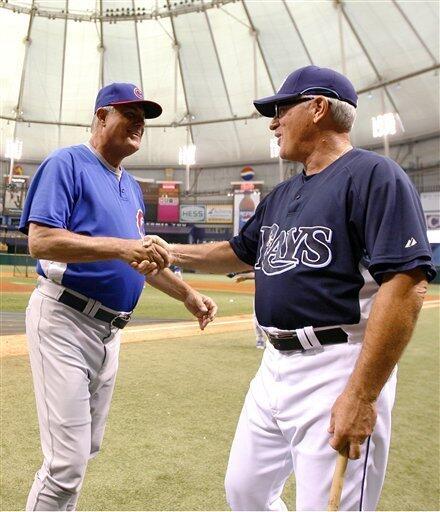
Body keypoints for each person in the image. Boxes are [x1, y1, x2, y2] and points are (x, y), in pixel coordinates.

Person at [134, 66, 436, 510]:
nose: (273, 122)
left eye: (280, 110)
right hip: (273, 365)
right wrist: (173, 252)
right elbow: (239, 251)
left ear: (317, 108)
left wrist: (362, 393)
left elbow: (407, 285)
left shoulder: (375, 175)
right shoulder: (282, 194)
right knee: (246, 492)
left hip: (338, 364)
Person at [19, 82, 217, 511]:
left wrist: (187, 293)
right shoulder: (66, 163)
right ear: (102, 116)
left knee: (82, 452)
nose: (139, 123)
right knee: (66, 464)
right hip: (65, 320)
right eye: (130, 113)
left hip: (110, 332)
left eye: (143, 117)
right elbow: (41, 241)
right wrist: (121, 246)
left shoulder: (129, 185)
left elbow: (138, 259)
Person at [230, 271, 266, 349]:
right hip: (260, 294)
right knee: (257, 317)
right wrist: (245, 277)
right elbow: (257, 273)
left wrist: (244, 276)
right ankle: (260, 339)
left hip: (276, 294)